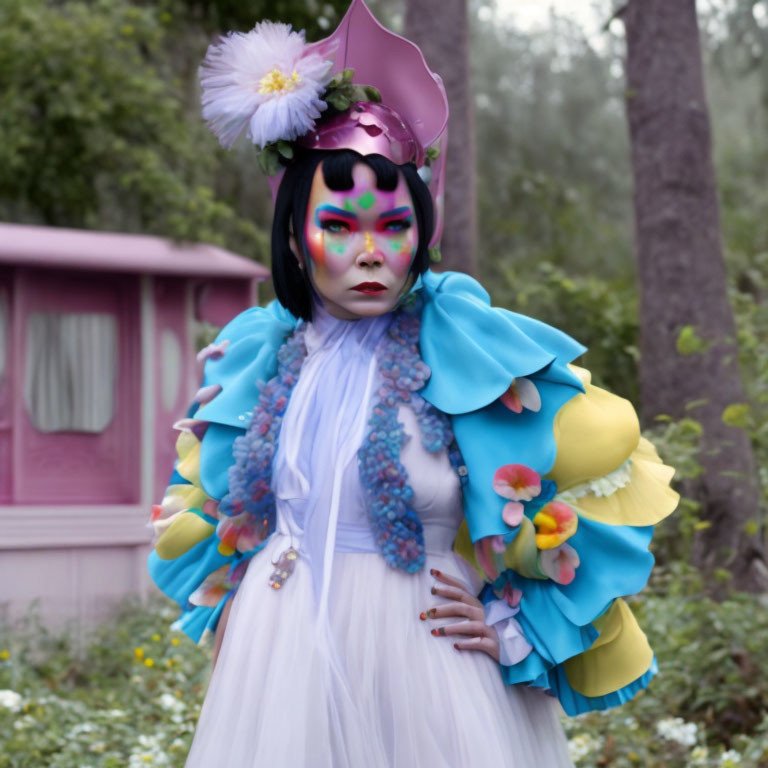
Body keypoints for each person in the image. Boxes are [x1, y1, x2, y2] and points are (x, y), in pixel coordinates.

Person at [146, 2, 679, 765]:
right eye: (340, 225)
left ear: (421, 235)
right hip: (279, 664)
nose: (370, 253)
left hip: (430, 670)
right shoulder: (262, 355)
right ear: (295, 238)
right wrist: (235, 616)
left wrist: (516, 622)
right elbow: (214, 505)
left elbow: (599, 475)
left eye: (393, 227)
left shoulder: (467, 345)